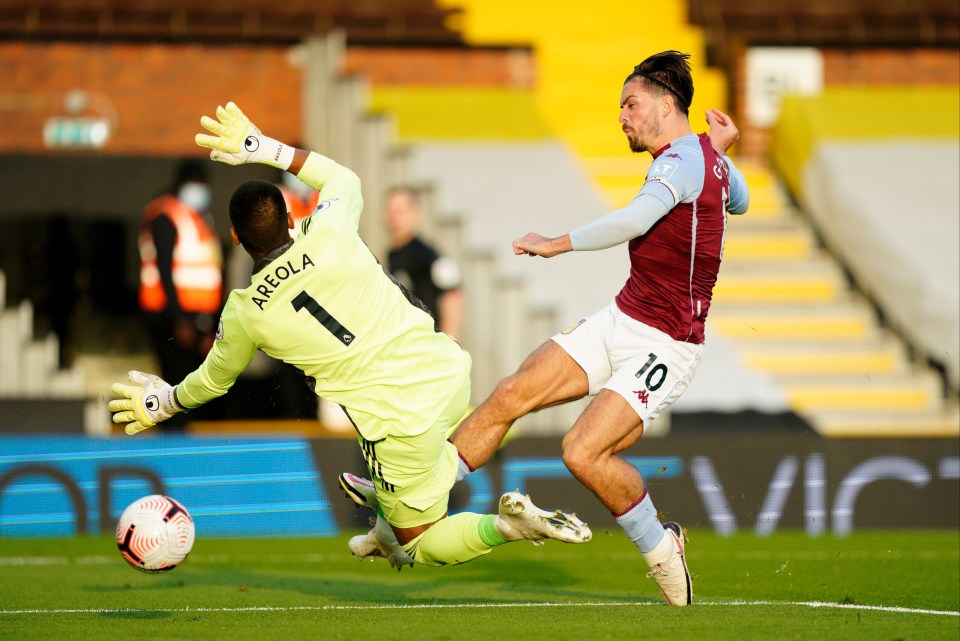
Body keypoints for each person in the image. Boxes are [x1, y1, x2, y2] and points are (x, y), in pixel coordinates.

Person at [109, 101, 591, 569]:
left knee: (417, 546)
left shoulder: (245, 312)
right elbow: (343, 179)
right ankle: (386, 500)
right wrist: (262, 146)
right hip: (446, 371)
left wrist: (165, 401)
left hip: (397, 421)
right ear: (293, 218)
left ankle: (510, 527)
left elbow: (212, 381)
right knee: (436, 462)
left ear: (235, 238)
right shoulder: (330, 231)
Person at [342, 51, 749, 605]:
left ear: (666, 103)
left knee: (582, 452)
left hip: (669, 343)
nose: (623, 116)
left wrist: (556, 242)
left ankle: (661, 548)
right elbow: (739, 198)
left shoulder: (680, 163)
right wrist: (720, 151)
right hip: (622, 317)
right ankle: (414, 491)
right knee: (511, 393)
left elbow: (634, 219)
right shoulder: (704, 159)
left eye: (631, 104)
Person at [138, 158, 224, 428]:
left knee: (195, 391)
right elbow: (164, 269)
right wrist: (180, 319)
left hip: (198, 318)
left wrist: (212, 323)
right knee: (174, 387)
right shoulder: (165, 214)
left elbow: (212, 272)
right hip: (171, 317)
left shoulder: (199, 219)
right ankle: (173, 447)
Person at [384, 186, 464, 340]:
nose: (394, 217)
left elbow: (454, 295)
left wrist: (449, 341)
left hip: (426, 343)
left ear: (415, 212)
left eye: (400, 211)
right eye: (390, 211)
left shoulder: (425, 255)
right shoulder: (393, 254)